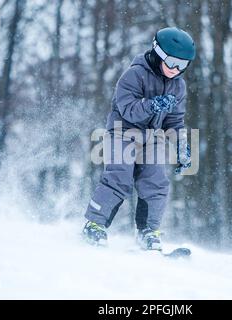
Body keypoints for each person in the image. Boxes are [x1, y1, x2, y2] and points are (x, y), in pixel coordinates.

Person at [82, 27, 196, 250]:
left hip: (153, 137)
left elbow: (175, 121)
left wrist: (182, 147)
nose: (175, 70)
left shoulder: (178, 86)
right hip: (122, 131)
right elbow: (128, 110)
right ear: (158, 53)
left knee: (156, 180)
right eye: (172, 62)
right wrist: (152, 105)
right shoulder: (134, 74)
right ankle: (94, 225)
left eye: (182, 65)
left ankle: (148, 231)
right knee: (120, 176)